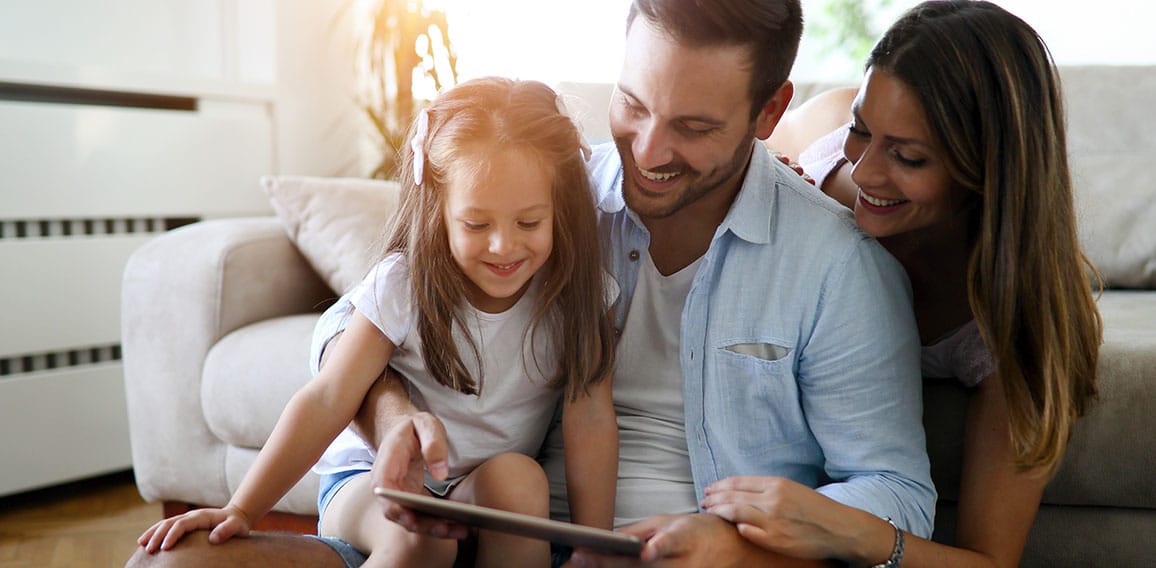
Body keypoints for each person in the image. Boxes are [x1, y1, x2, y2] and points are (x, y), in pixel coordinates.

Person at [125, 1, 937, 566]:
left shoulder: (836, 265)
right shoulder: (548, 190)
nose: (647, 151)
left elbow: (897, 492)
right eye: (631, 103)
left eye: (694, 127)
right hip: (444, 524)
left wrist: (749, 542)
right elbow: (356, 321)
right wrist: (395, 408)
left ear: (769, 114)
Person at [133, 77, 620, 568]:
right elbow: (327, 397)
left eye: (529, 223)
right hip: (371, 485)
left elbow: (592, 421)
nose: (503, 246)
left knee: (520, 480)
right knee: (417, 536)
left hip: (481, 490)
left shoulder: (580, 295)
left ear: (561, 209)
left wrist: (594, 548)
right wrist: (242, 509)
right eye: (477, 225)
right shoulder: (403, 283)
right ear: (439, 210)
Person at [703, 2, 1103, 567]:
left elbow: (990, 560)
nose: (866, 171)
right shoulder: (829, 179)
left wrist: (854, 531)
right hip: (812, 128)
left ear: (986, 168)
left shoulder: (1014, 324)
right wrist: (765, 177)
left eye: (908, 156)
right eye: (862, 131)